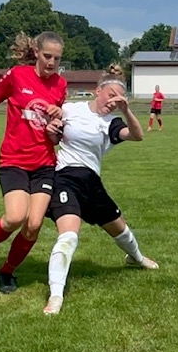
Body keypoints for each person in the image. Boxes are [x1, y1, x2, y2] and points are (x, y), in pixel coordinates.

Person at [43, 64, 157, 315]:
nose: (113, 102)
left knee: (120, 229)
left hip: (91, 182)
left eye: (119, 99)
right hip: (64, 178)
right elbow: (53, 135)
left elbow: (137, 135)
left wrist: (126, 110)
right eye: (111, 95)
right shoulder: (70, 109)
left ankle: (137, 258)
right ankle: (55, 295)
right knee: (69, 236)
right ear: (98, 91)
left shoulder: (112, 123)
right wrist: (51, 131)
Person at [0, 31, 68, 294]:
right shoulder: (17, 75)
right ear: (36, 52)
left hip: (45, 164)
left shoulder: (60, 85)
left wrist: (58, 118)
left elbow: (57, 132)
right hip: (14, 160)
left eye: (57, 58)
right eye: (47, 56)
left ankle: (7, 272)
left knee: (34, 224)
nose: (51, 62)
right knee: (15, 217)